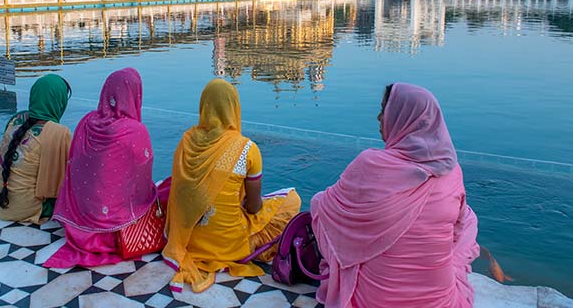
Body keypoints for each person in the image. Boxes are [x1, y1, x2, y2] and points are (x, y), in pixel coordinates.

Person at [311, 83, 479, 308]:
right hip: (439, 302)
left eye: (385, 110)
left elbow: (327, 211)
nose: (379, 118)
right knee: (468, 218)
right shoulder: (452, 172)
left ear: (404, 118)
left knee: (320, 204)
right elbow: (456, 234)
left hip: (374, 301)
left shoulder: (370, 165)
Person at [163, 79, 301, 293]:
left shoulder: (186, 141)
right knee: (292, 199)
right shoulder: (247, 148)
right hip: (229, 246)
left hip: (187, 241)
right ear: (234, 108)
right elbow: (254, 208)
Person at [44, 68, 159, 268]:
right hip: (116, 232)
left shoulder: (86, 122)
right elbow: (142, 188)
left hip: (78, 225)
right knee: (162, 191)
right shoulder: (135, 131)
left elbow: (75, 168)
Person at [0, 74, 72, 223]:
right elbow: (67, 178)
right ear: (59, 102)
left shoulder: (16, 119)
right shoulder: (59, 133)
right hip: (24, 207)